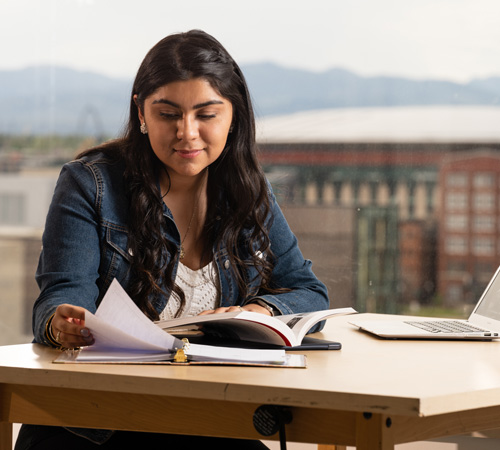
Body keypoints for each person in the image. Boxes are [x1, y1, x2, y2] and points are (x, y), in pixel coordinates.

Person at [15, 29, 329, 449]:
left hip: (212, 417)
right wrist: (61, 325)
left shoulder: (249, 191)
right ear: (141, 113)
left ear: (233, 115)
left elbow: (309, 292)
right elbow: (62, 295)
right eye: (168, 114)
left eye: (206, 114)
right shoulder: (90, 184)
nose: (187, 132)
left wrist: (259, 311)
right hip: (98, 428)